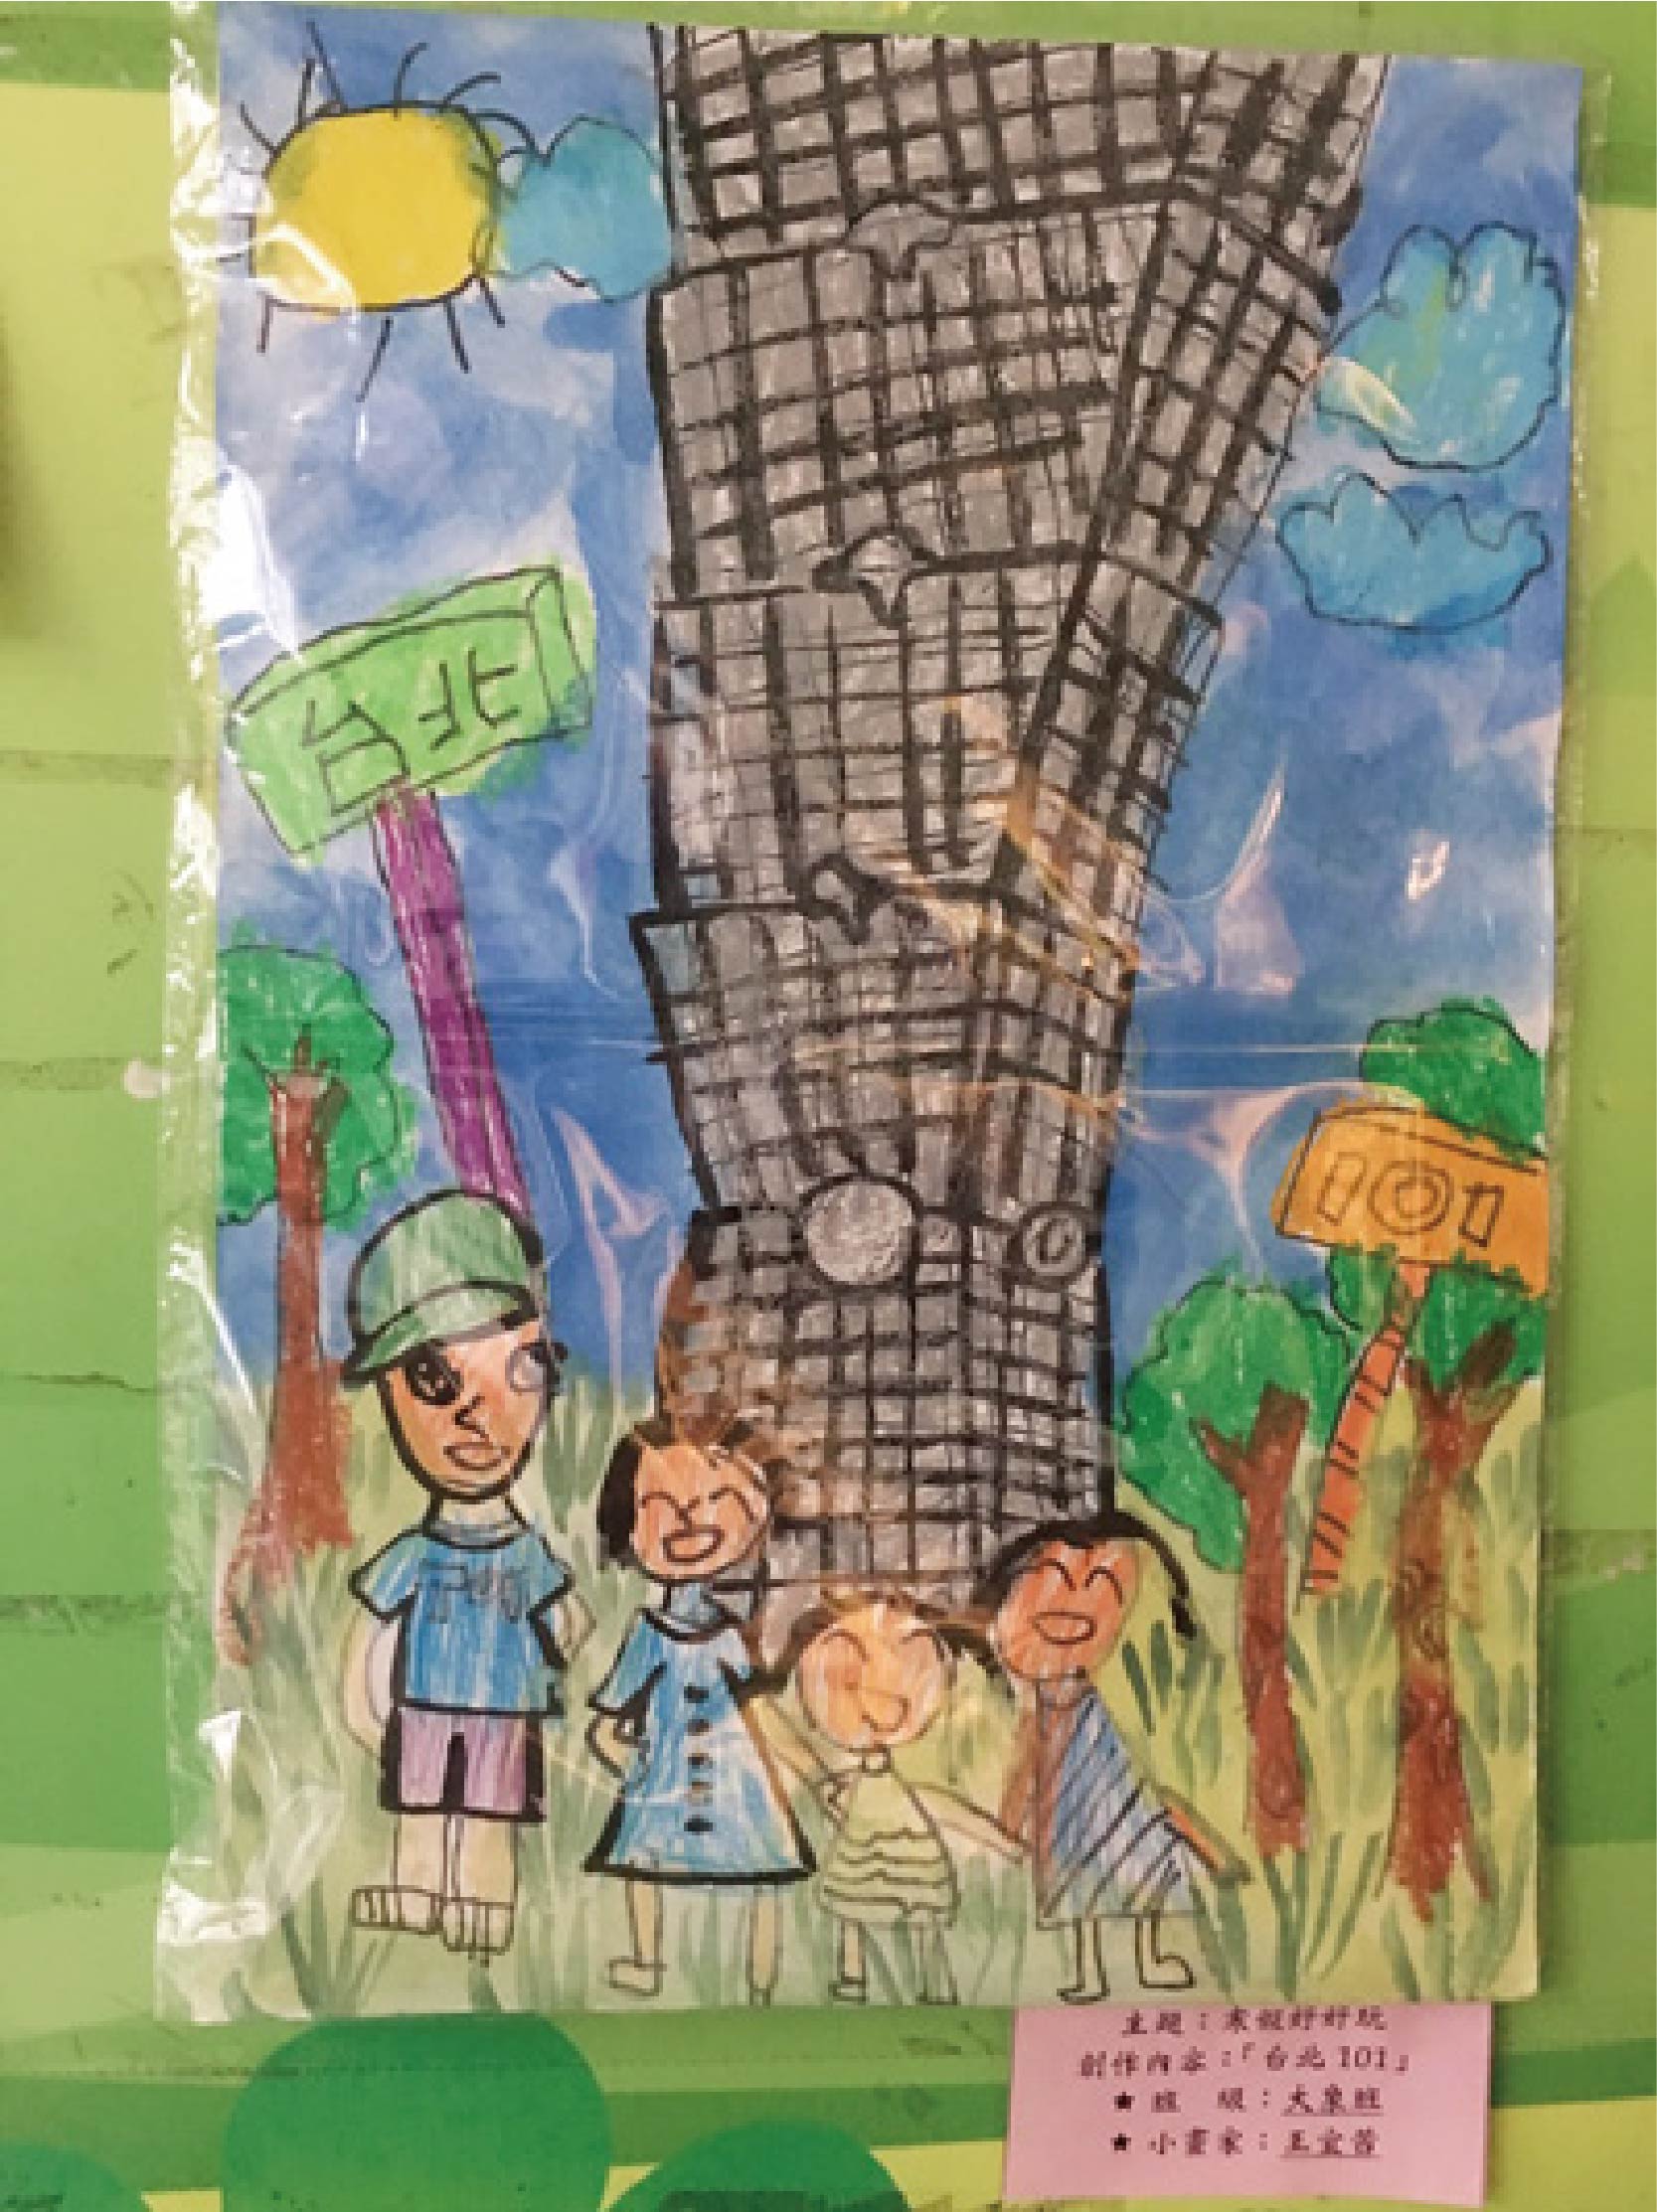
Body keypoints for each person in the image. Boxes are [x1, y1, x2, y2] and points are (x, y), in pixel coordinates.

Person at [340, 1189, 589, 1961]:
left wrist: (542, 1680)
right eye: (433, 1380)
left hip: (499, 1717)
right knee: (419, 1807)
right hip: (420, 1711)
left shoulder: (527, 1553)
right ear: (390, 1393)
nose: (473, 1415)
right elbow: (368, 1633)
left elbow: (572, 1622)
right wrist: (364, 1710)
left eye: (513, 1371)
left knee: (488, 1819)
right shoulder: (413, 1553)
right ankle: (416, 1890)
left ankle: (483, 1901)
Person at [584, 1417, 811, 2004]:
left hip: (736, 1778)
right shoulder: (650, 1635)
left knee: (765, 1864)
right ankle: (647, 1959)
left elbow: (758, 1706)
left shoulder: (730, 1635)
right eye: (658, 1505)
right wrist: (629, 1765)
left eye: (713, 1500)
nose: (687, 1520)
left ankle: (763, 1979)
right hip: (665, 1774)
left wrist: (803, 1766)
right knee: (642, 1861)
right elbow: (607, 1719)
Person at [983, 1512, 1229, 2004]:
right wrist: (1010, 1818)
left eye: (1102, 1587)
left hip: (1116, 1792)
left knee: (1141, 1864)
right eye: (1055, 1582)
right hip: (1070, 1804)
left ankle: (1147, 1961)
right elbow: (1029, 1750)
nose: (1074, 1605)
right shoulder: (1041, 1697)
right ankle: (1089, 1970)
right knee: (1077, 1881)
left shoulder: (1116, 1690)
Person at [789, 1594, 1016, 2006]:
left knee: (912, 1912)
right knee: (854, 1909)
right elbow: (833, 1793)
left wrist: (999, 1840)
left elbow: (940, 1806)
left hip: (905, 1851)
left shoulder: (900, 1782)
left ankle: (927, 1983)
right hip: (866, 1849)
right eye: (851, 1683)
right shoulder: (860, 1777)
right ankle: (858, 1978)